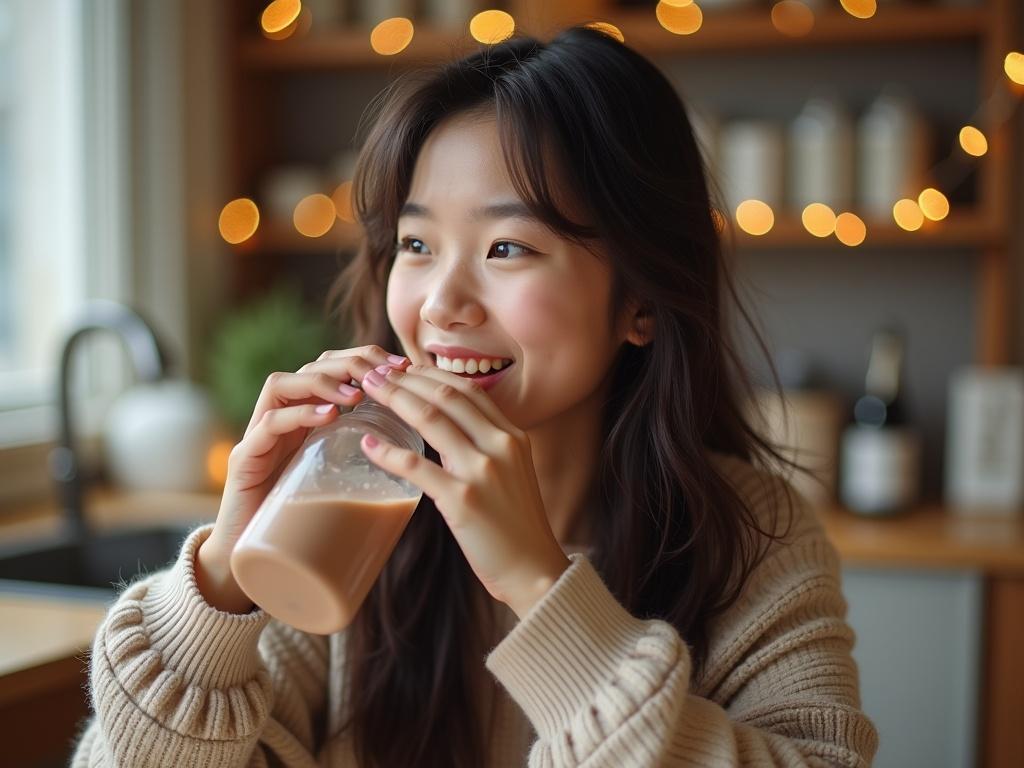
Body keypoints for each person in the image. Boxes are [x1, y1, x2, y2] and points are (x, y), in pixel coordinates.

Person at [71, 25, 878, 768]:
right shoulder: (351, 516)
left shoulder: (757, 542)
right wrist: (219, 580)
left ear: (641, 301)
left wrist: (539, 585)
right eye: (416, 244)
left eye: (507, 247)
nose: (439, 304)